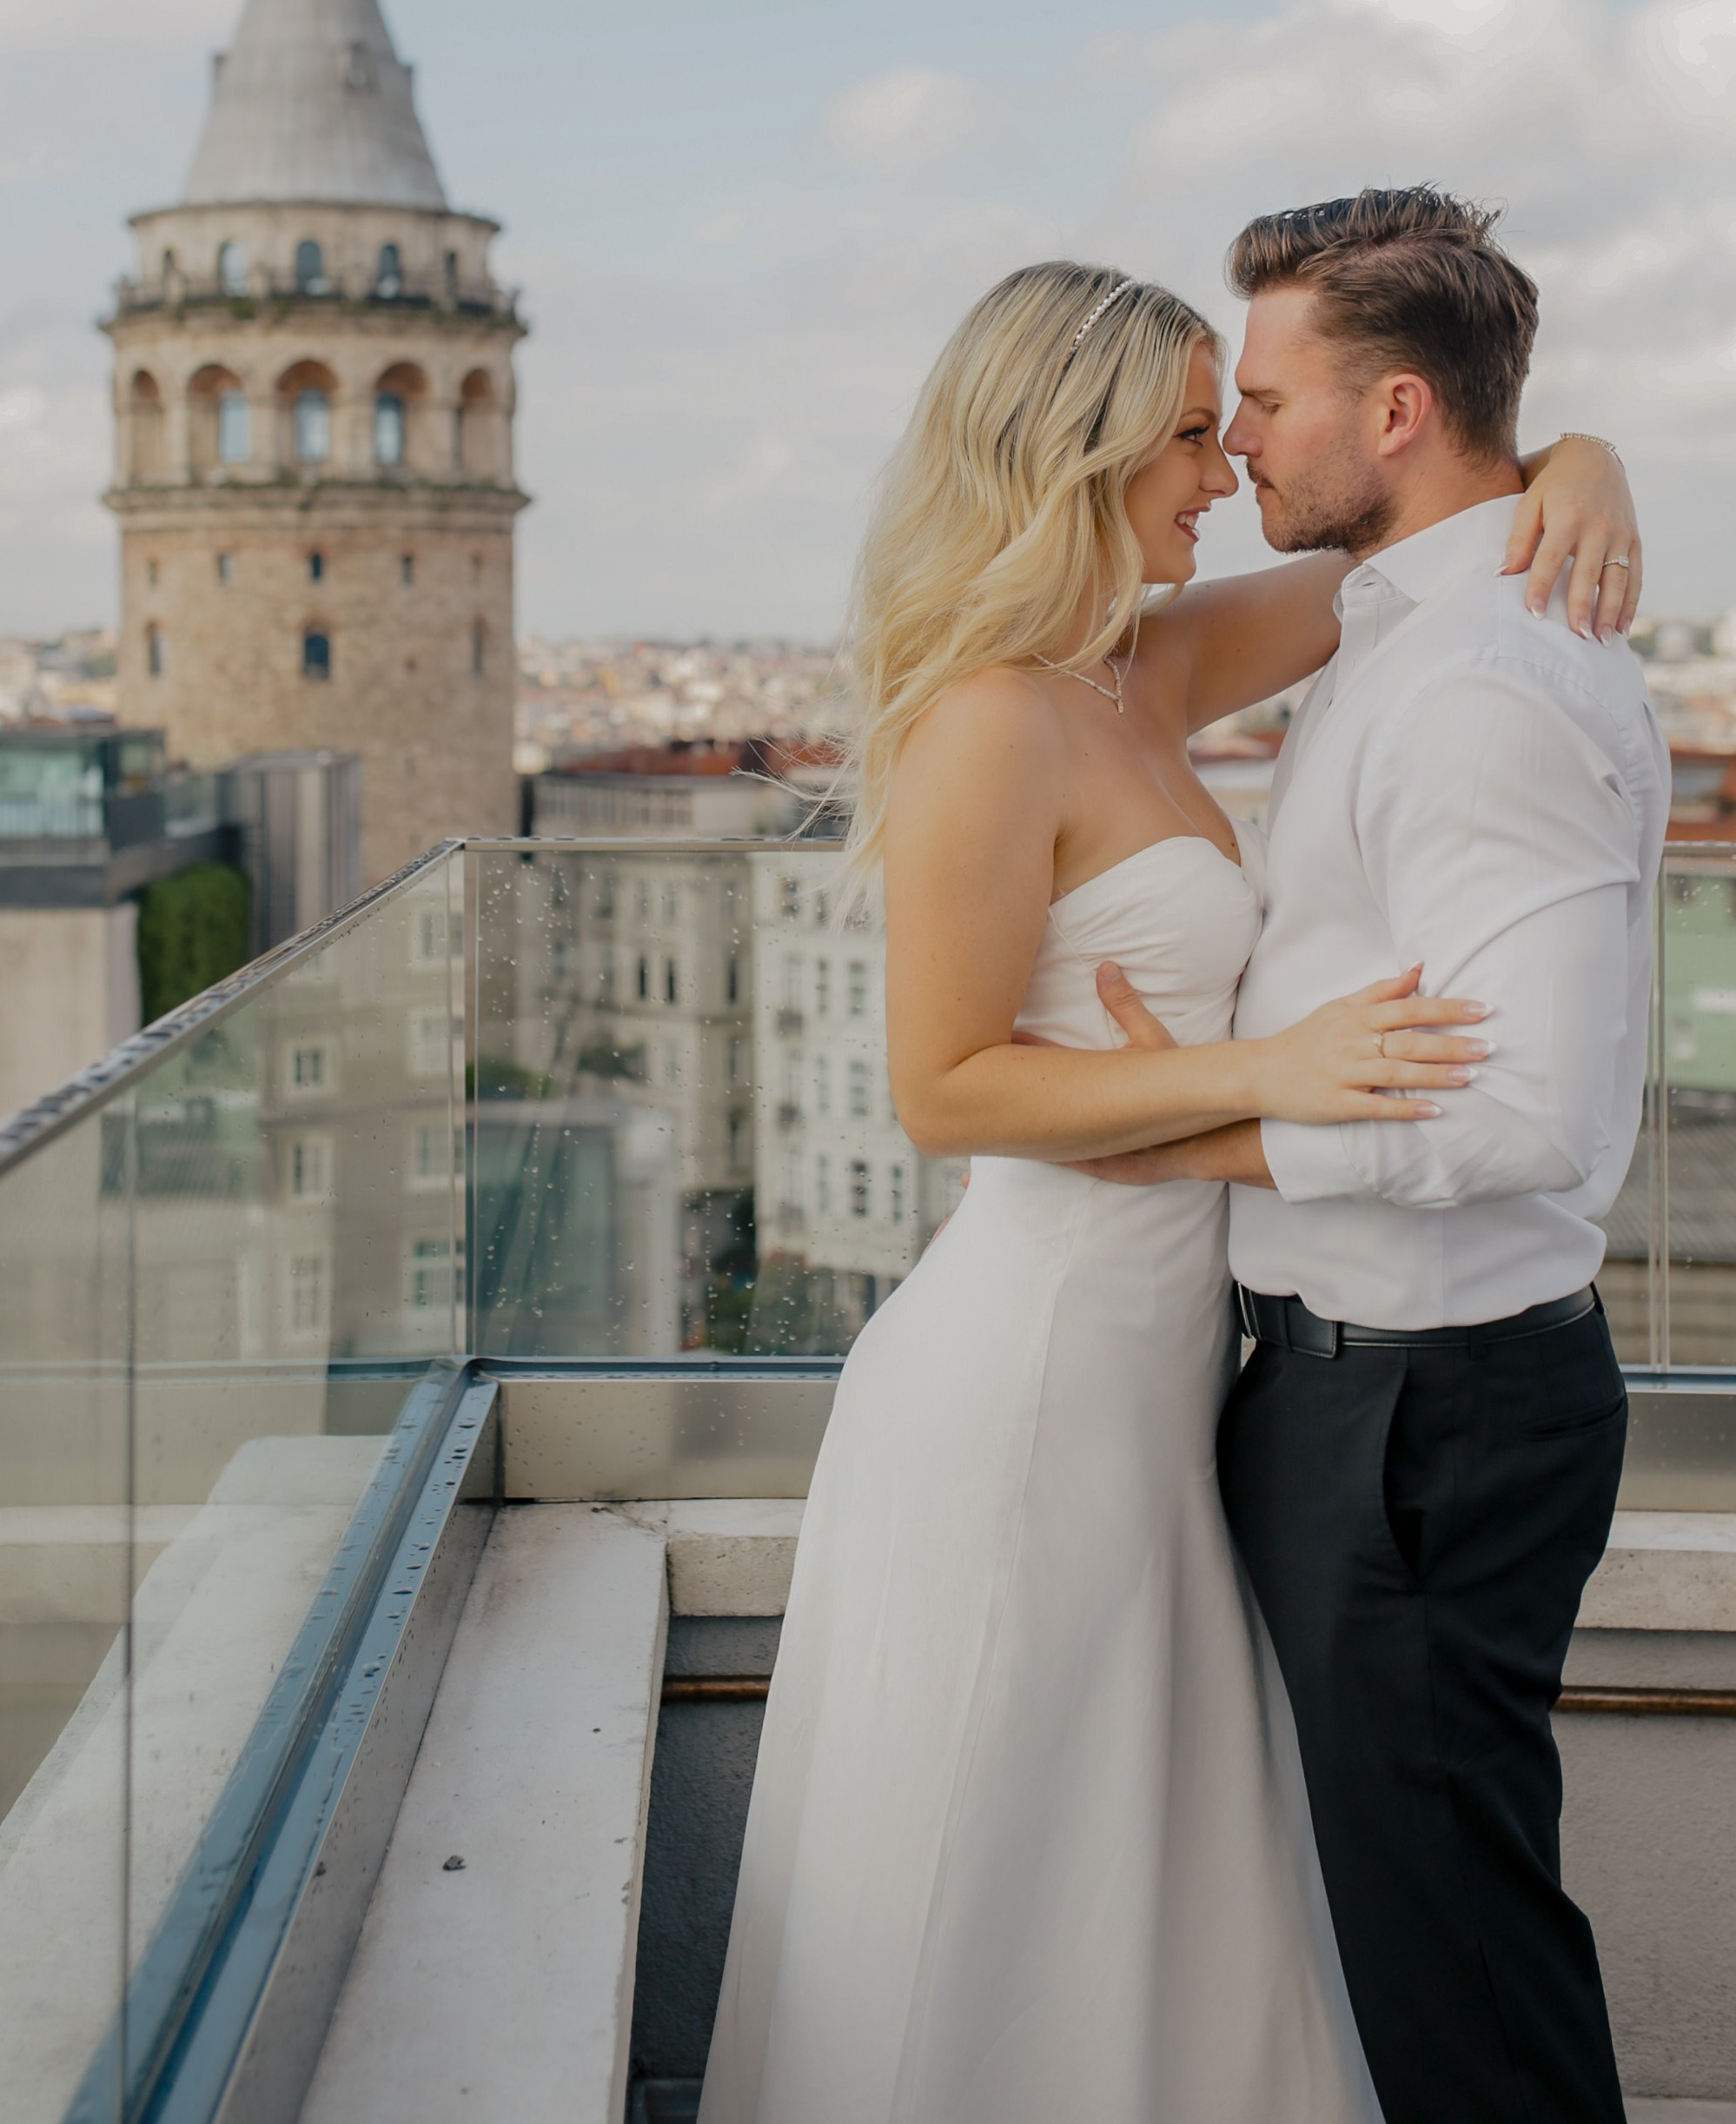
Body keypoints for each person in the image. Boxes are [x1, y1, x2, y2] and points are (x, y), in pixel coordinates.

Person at [698, 236, 1642, 2124]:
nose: (1226, 472)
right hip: (1031, 1364)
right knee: (992, 1832)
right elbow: (943, 1086)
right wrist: (1265, 1074)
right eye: (1196, 438)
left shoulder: (1153, 658)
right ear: (1078, 454)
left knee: (1140, 1845)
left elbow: (1426, 513)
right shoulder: (989, 716)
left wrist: (1589, 457)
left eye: (1237, 423)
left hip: (1173, 1367)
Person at [1081, 189, 1666, 2124]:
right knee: (1415, 1928)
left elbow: (1532, 1119)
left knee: (1456, 1964)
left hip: (1425, 1412)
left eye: (1262, 395)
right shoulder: (1409, 621)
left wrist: (1209, 1132)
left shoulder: (1483, 679)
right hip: (1378, 1392)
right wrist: (1584, 454)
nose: (1236, 434)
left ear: (1397, 411)